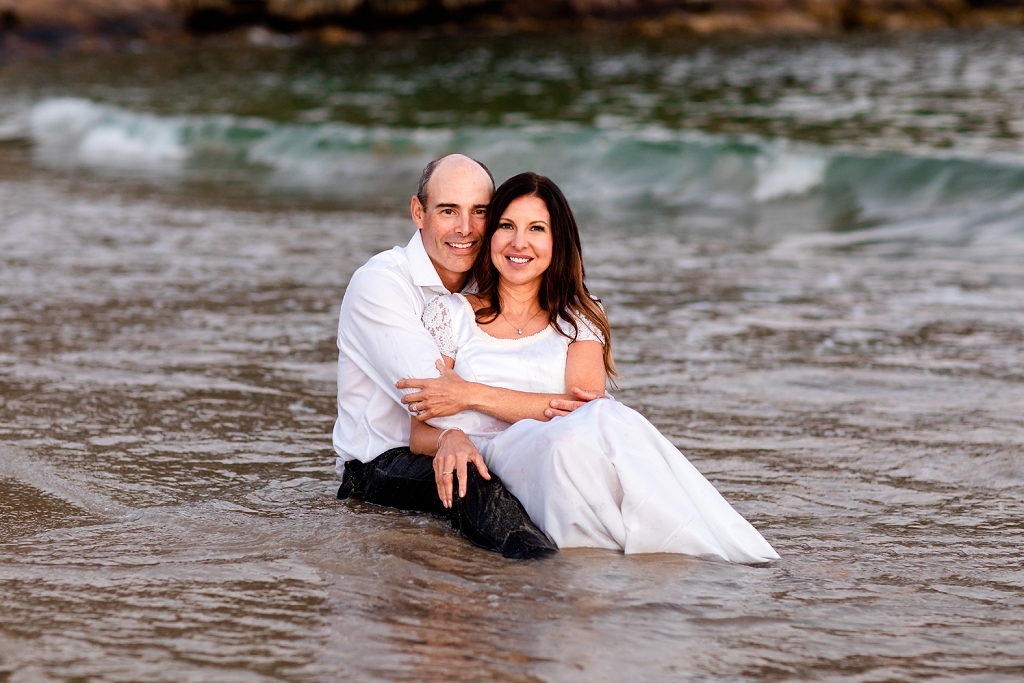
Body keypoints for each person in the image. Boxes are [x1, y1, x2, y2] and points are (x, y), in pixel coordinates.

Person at [402, 172, 779, 562]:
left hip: (575, 455)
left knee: (607, 421)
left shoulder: (579, 314)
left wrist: (471, 395)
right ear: (491, 235)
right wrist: (453, 436)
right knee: (572, 439)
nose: (519, 242)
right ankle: (676, 550)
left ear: (557, 241)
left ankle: (700, 547)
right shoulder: (449, 315)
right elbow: (418, 432)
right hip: (505, 458)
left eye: (537, 228)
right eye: (506, 226)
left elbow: (585, 409)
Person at [332, 154, 600, 559]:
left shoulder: (490, 281)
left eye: (480, 212)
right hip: (382, 465)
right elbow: (438, 399)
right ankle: (541, 572)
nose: (465, 228)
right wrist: (452, 434)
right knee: (472, 480)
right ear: (418, 212)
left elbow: (477, 391)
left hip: (486, 444)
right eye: (448, 211)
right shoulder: (381, 284)